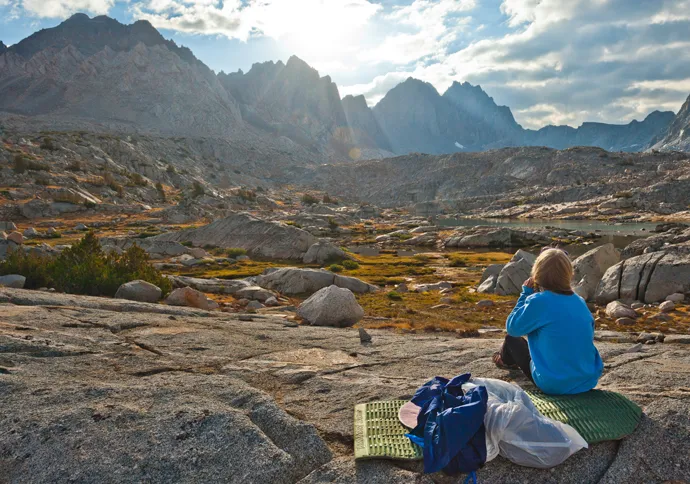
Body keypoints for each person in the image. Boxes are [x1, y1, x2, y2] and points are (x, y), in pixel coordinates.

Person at [492, 247, 603, 395]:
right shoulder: (580, 301)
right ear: (568, 274)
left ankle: (503, 360)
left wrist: (525, 294)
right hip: (588, 380)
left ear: (537, 273)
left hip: (554, 384)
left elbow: (512, 327)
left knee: (511, 339)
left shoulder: (538, 301)